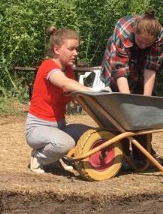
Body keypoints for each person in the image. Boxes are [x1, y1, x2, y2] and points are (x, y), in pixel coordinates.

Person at [25, 26, 104, 174]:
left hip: (60, 126)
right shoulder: (47, 66)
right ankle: (39, 157)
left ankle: (61, 156)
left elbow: (76, 96)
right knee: (65, 143)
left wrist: (102, 106)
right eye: (71, 49)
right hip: (37, 129)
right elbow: (63, 83)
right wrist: (94, 92)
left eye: (77, 49)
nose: (76, 53)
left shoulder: (68, 70)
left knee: (91, 135)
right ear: (56, 49)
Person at [100, 10, 163, 95]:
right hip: (120, 54)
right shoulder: (123, 33)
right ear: (135, 31)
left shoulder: (159, 35)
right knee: (117, 93)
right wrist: (128, 101)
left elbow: (151, 67)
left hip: (141, 60)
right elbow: (120, 69)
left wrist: (146, 99)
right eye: (140, 41)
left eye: (148, 43)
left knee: (142, 92)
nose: (143, 46)